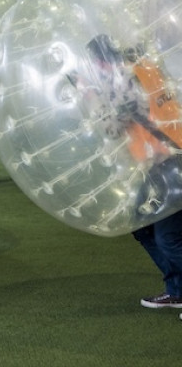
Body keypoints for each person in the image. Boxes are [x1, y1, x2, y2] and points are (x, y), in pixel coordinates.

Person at [84, 34, 182, 310]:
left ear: (101, 62)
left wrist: (90, 98)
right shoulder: (147, 69)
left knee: (167, 235)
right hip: (163, 160)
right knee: (143, 225)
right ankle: (176, 289)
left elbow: (114, 128)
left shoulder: (123, 81)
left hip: (168, 161)